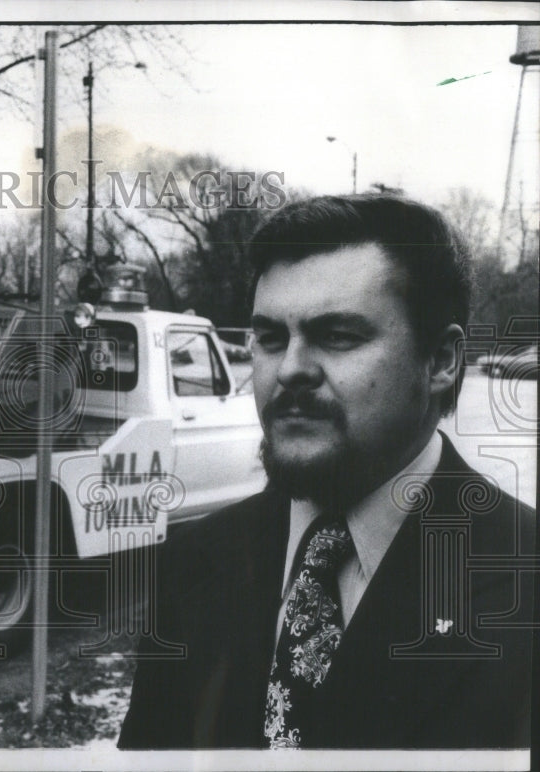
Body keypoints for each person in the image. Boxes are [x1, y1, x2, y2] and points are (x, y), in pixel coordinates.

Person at [118, 194, 536, 749]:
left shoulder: (523, 580)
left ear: (440, 361)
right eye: (269, 338)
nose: (289, 369)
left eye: (337, 336)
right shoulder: (197, 559)